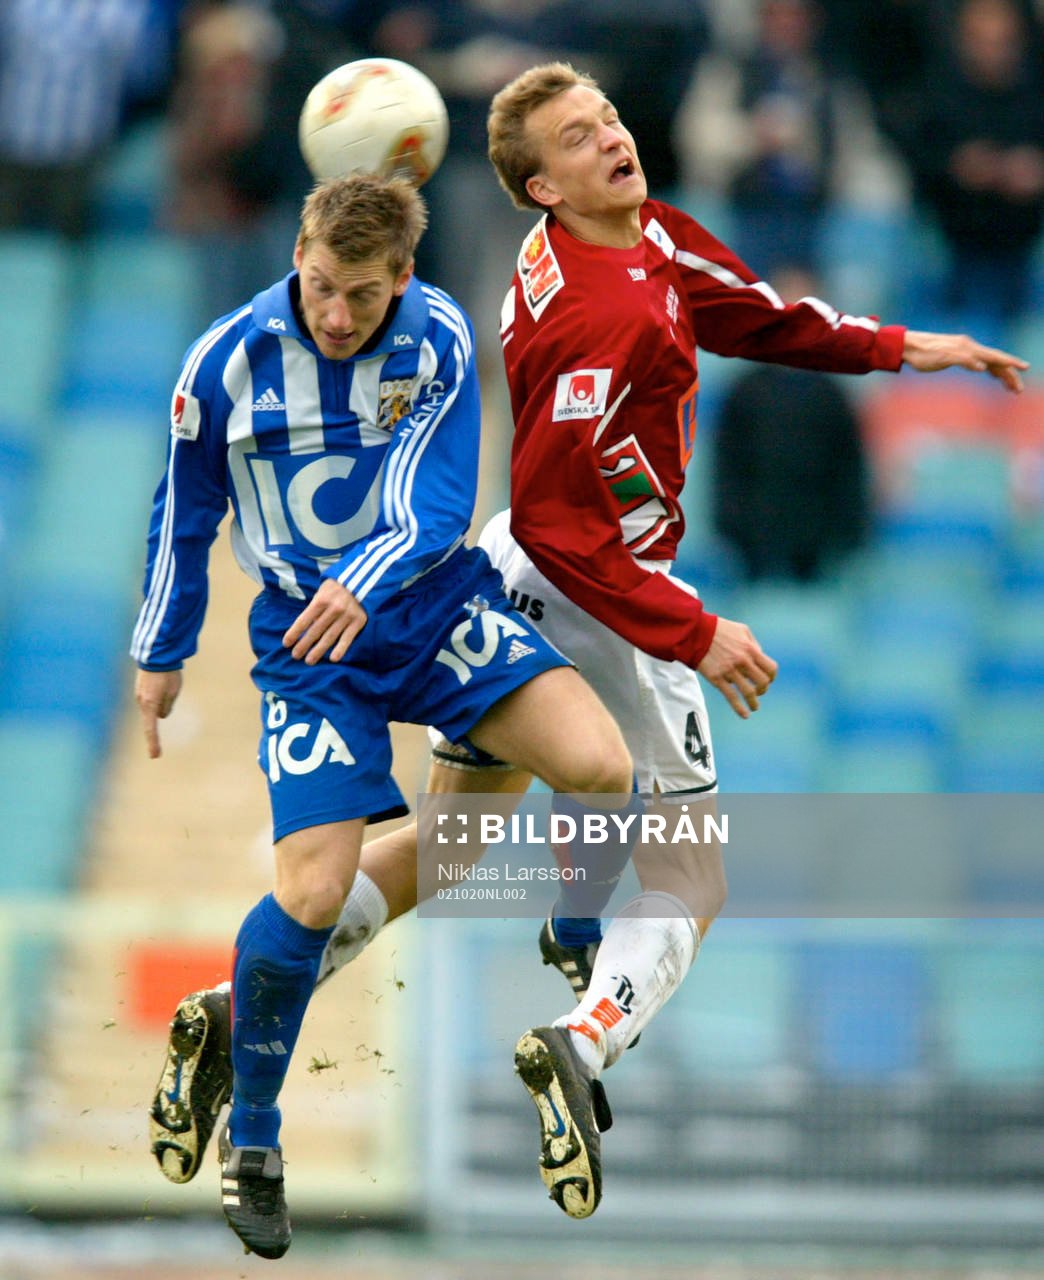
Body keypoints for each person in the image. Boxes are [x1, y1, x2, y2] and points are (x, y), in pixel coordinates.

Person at [146, 62, 1029, 1228]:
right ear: (538, 187)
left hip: (520, 571)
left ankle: (238, 997)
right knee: (693, 870)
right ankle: (581, 1034)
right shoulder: (591, 322)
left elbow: (751, 311)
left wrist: (905, 346)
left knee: (455, 854)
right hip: (598, 588)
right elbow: (569, 525)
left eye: (607, 117)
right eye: (579, 136)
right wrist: (695, 630)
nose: (613, 136)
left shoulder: (646, 238)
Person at [132, 172, 639, 1258]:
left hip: (432, 606)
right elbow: (184, 512)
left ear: (401, 277)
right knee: (311, 886)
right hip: (310, 650)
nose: (334, 313)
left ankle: (576, 928)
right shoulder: (223, 361)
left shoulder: (441, 334)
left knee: (600, 762)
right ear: (299, 255)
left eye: (360, 294)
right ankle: (256, 1141)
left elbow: (438, 502)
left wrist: (366, 578)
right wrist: (160, 652)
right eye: (319, 286)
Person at [712, 264, 870, 582]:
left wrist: (843, 538)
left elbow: (849, 472)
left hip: (818, 551)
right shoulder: (745, 392)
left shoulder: (833, 396)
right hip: (752, 547)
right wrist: (734, 531)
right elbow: (728, 468)